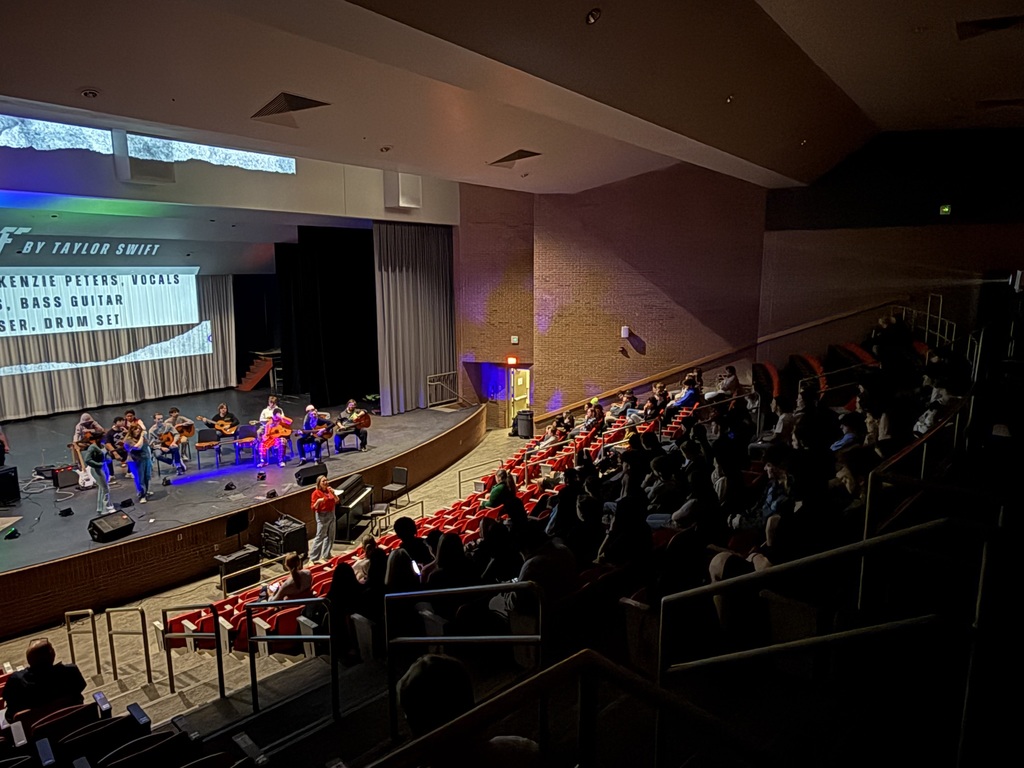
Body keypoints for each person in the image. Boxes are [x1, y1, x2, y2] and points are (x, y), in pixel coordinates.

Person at [2, 639, 86, 715]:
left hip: (34, 730)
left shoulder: (16, 681)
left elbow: (10, 705)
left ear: (29, 660)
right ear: (53, 655)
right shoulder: (70, 672)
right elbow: (80, 687)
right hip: (73, 723)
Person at [78, 432, 114, 514]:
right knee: (105, 487)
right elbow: (87, 460)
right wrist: (98, 464)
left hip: (104, 466)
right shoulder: (92, 448)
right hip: (97, 468)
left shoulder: (102, 445)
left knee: (103, 487)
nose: (103, 439)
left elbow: (106, 454)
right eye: (102, 438)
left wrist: (108, 458)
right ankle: (108, 506)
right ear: (97, 439)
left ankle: (101, 507)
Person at [309, 475, 337, 563]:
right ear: (319, 484)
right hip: (322, 516)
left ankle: (326, 554)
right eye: (323, 481)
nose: (326, 482)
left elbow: (336, 500)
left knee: (331, 536)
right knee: (320, 536)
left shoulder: (329, 490)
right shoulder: (315, 493)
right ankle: (313, 558)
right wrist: (318, 501)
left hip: (332, 513)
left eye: (326, 480)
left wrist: (334, 493)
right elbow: (313, 507)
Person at [124, 423, 153, 505]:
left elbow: (147, 445)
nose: (138, 430)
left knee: (147, 476)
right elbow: (137, 447)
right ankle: (141, 495)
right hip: (135, 461)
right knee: (140, 478)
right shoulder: (128, 440)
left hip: (145, 459)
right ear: (131, 430)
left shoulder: (141, 438)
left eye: (139, 429)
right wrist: (141, 436)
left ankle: (146, 491)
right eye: (136, 429)